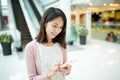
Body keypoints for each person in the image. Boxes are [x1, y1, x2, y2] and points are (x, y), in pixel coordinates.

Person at [25, 7, 71, 80]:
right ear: (45, 23)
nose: (57, 30)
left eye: (61, 27)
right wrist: (50, 75)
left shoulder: (61, 45)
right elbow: (32, 78)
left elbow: (64, 72)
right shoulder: (31, 47)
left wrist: (67, 71)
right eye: (54, 25)